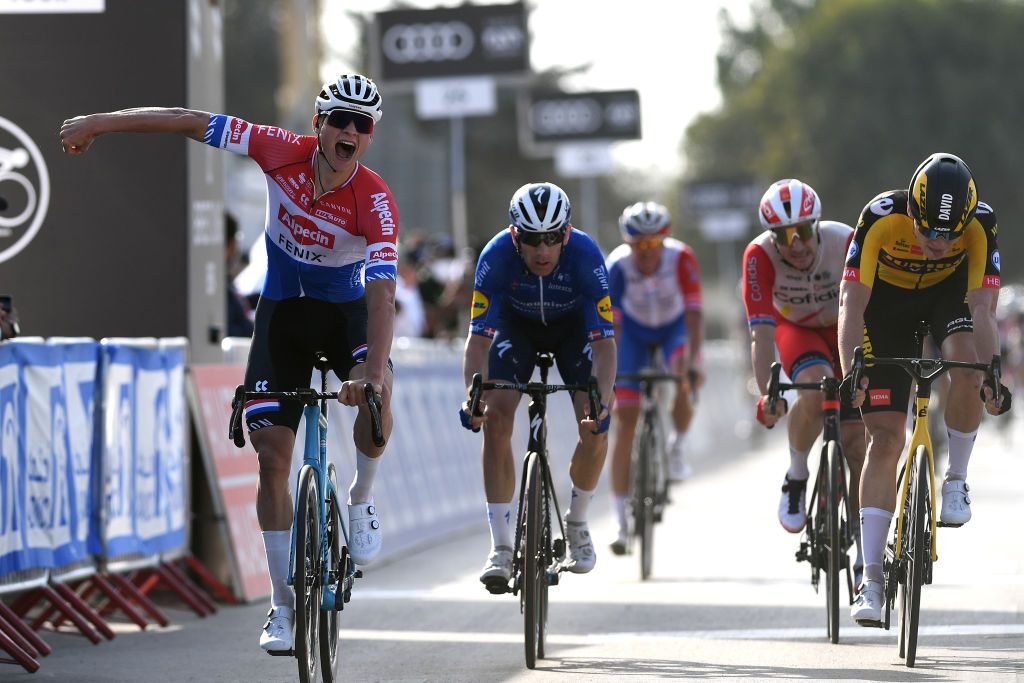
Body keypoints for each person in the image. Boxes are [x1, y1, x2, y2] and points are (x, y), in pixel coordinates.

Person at [61, 73, 399, 652]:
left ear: (369, 136)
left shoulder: (374, 198)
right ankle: (282, 607)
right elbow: (188, 121)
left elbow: (382, 295)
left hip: (345, 319)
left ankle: (362, 499)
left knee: (378, 391)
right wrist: (101, 123)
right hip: (283, 315)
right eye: (339, 120)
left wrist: (370, 372)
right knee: (272, 457)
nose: (349, 132)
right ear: (318, 124)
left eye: (361, 125)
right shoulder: (278, 150)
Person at [839, 153, 1010, 626]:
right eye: (928, 231)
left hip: (947, 298)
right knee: (885, 440)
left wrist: (991, 372)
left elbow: (983, 310)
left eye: (948, 233)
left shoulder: (981, 223)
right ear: (910, 213)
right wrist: (853, 369)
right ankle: (870, 579)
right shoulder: (879, 216)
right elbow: (852, 302)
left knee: (969, 369)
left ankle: (956, 479)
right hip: (885, 308)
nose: (937, 242)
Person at [458, 182, 616, 593]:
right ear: (516, 236)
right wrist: (472, 397)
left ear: (566, 234)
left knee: (595, 425)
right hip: (517, 330)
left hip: (574, 332)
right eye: (531, 240)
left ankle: (578, 523)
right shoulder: (494, 257)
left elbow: (605, 345)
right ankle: (501, 547)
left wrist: (602, 400)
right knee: (494, 419)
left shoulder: (586, 256)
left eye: (552, 239)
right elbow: (478, 341)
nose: (542, 251)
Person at [741, 179, 866, 574]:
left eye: (803, 231)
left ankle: (868, 552)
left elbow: (870, 308)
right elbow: (760, 332)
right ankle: (797, 474)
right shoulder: (759, 255)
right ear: (771, 235)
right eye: (783, 234)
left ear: (817, 224)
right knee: (812, 391)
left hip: (846, 329)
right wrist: (767, 394)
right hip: (796, 330)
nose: (795, 244)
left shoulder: (845, 240)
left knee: (857, 444)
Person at [605, 201, 704, 555]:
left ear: (665, 241)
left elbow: (694, 314)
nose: (647, 253)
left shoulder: (682, 258)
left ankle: (678, 445)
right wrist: (611, 373)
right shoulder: (616, 265)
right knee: (624, 419)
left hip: (673, 329)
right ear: (628, 243)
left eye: (654, 244)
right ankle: (620, 522)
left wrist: (694, 361)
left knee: (683, 374)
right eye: (639, 245)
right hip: (632, 333)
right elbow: (610, 327)